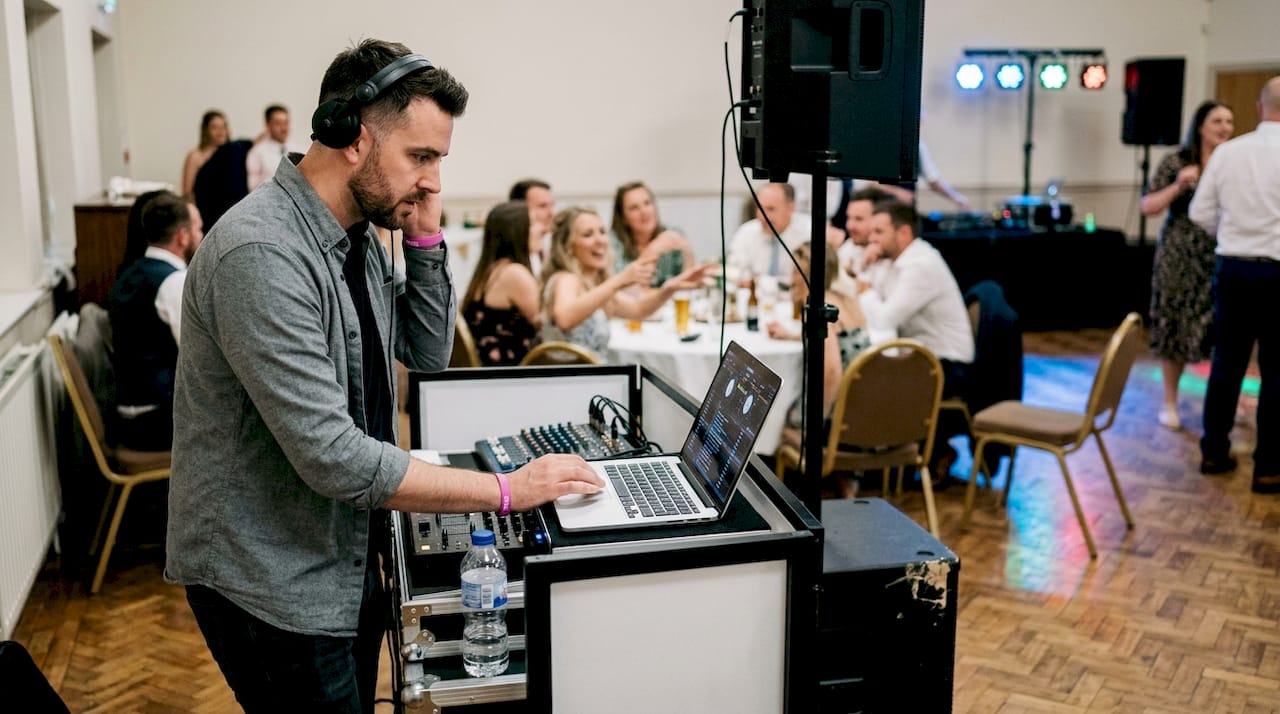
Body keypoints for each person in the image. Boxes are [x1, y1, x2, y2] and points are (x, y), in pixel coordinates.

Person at [165, 39, 603, 713]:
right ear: (351, 136)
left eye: (439, 160)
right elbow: (333, 457)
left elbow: (428, 355)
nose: (432, 179)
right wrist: (506, 491)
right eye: (420, 157)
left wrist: (426, 237)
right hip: (272, 579)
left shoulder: (358, 238)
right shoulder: (261, 253)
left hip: (337, 553)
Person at [1190, 76, 1280, 493]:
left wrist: (1234, 234)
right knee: (1277, 373)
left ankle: (1214, 450)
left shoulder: (1229, 153)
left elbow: (1200, 213)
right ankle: (1269, 468)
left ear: (1260, 108)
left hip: (1234, 268)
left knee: (1227, 363)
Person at [857, 201, 974, 479]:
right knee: (868, 371)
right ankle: (880, 460)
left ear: (904, 233)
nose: (871, 239)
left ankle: (882, 463)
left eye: (878, 231)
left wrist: (864, 288)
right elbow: (873, 303)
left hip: (948, 365)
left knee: (867, 378)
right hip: (921, 354)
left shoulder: (921, 266)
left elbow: (883, 318)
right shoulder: (894, 261)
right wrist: (866, 275)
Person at [1142, 100, 1235, 430]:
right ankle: (1169, 402)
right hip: (1179, 255)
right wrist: (1178, 184)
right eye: (1217, 121)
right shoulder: (1177, 161)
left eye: (1229, 121)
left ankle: (1221, 405)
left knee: (1220, 331)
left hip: (1221, 252)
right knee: (1175, 327)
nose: (1224, 127)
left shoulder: (1234, 162)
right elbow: (1148, 205)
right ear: (1200, 126)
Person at [542, 206, 709, 355]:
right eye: (588, 235)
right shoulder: (566, 279)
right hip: (571, 383)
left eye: (602, 232)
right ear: (568, 246)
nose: (600, 240)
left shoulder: (596, 286)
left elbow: (638, 310)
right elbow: (564, 318)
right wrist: (619, 281)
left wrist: (671, 287)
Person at [107, 192, 203, 451]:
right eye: (198, 229)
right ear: (182, 236)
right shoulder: (173, 282)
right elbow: (197, 357)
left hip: (128, 411)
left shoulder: (129, 274)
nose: (201, 236)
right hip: (156, 420)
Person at [766, 241, 870, 452]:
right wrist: (794, 336)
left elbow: (831, 372)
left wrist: (813, 424)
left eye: (795, 272)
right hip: (864, 408)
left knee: (774, 421)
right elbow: (842, 342)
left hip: (839, 415)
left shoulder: (818, 310)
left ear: (805, 276)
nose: (790, 280)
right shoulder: (845, 300)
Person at [462, 201, 541, 366]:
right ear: (517, 231)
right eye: (533, 224)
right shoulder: (514, 273)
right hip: (509, 373)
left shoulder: (490, 270)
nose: (541, 230)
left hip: (492, 369)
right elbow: (544, 323)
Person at [609, 181, 695, 287]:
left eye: (647, 203)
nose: (644, 212)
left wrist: (688, 253)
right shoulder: (611, 243)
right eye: (634, 208)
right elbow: (621, 288)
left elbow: (689, 284)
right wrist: (652, 250)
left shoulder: (672, 234)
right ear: (623, 218)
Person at [727, 182, 812, 282]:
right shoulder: (746, 232)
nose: (762, 216)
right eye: (759, 208)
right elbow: (733, 271)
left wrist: (759, 282)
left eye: (771, 209)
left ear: (790, 208)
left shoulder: (810, 232)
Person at [247, 104, 303, 190]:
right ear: (268, 125)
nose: (284, 128)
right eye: (278, 123)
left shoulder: (300, 150)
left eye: (286, 123)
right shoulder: (257, 152)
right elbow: (252, 187)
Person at [509, 178, 554, 274]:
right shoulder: (508, 254)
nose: (551, 213)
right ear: (519, 210)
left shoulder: (552, 242)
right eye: (542, 206)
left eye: (552, 205)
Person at [180, 109, 228, 198]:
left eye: (223, 127)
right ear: (205, 130)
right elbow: (187, 192)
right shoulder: (196, 155)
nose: (220, 131)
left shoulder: (232, 155)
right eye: (215, 127)